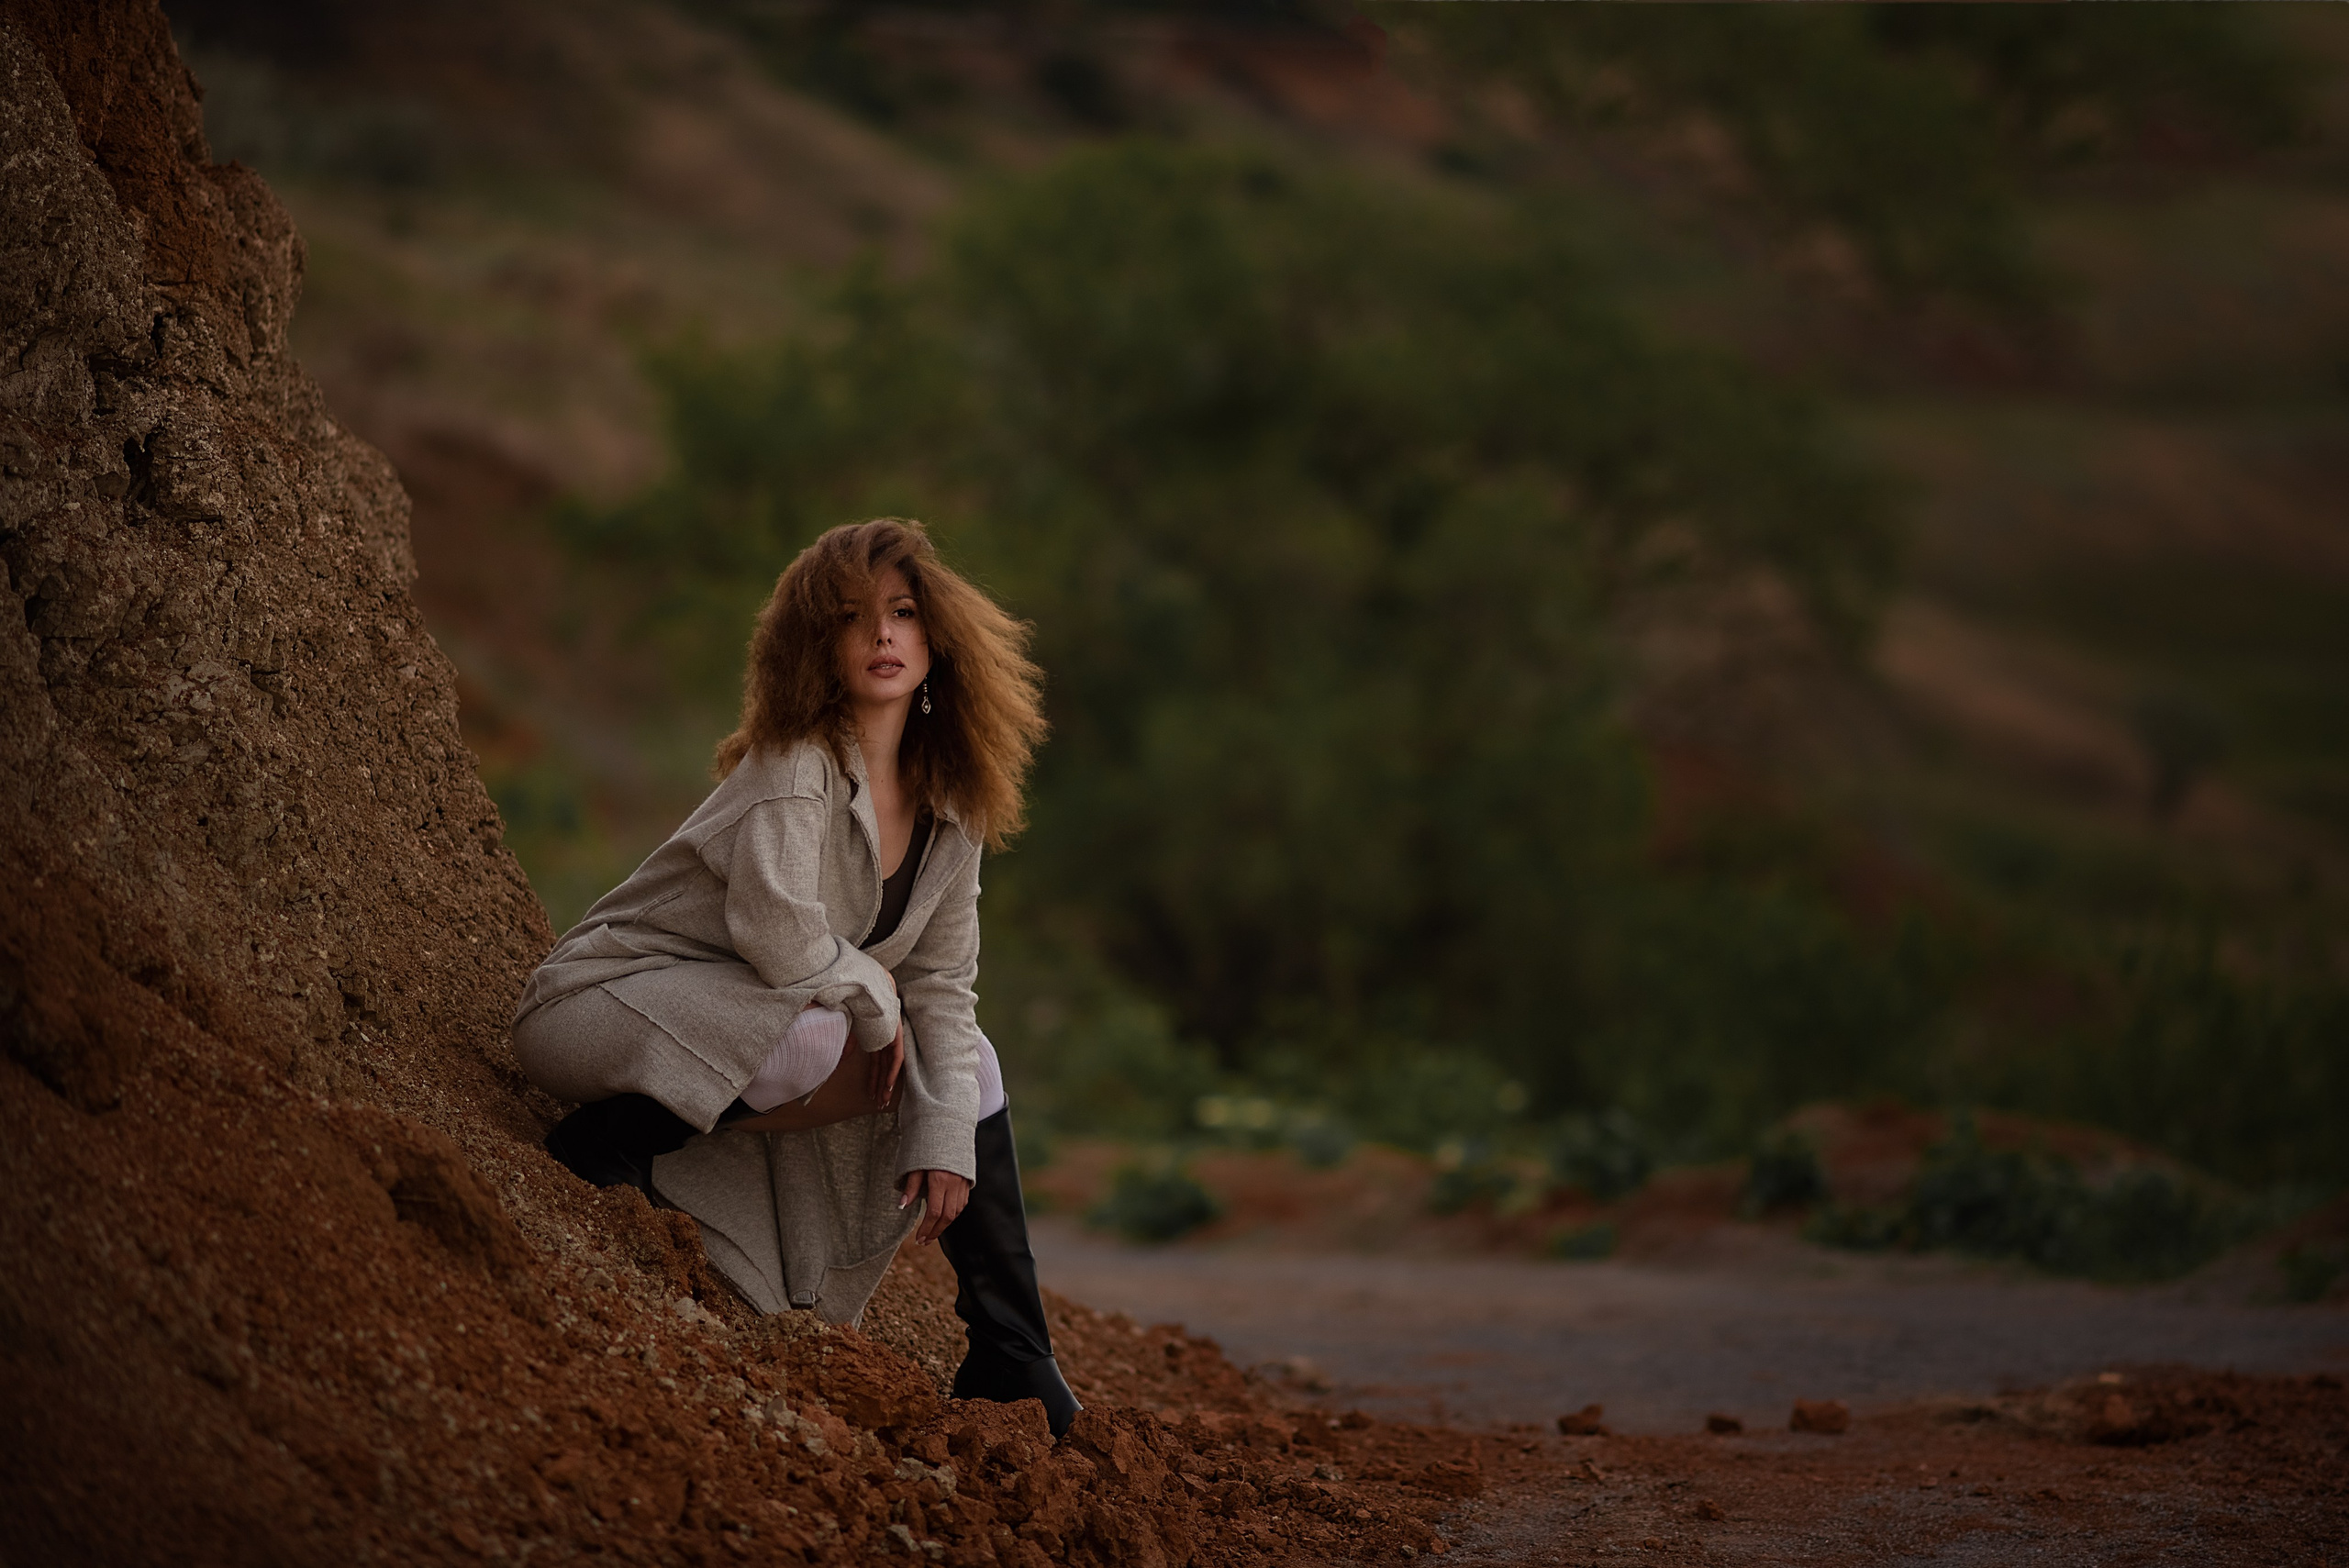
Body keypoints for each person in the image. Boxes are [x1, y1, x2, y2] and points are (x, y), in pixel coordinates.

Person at [510, 517, 1079, 1435]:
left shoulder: (952, 800)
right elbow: (777, 934)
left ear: (936, 638)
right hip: (608, 1000)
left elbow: (943, 982)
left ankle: (1011, 1349)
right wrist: (873, 1000)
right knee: (823, 1032)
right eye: (853, 618)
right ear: (820, 644)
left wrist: (942, 1129)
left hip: (752, 1020)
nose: (882, 635)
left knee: (969, 1058)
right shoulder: (795, 764)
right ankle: (605, 1145)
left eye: (901, 612)